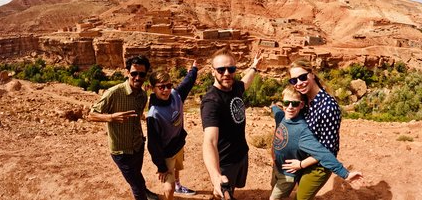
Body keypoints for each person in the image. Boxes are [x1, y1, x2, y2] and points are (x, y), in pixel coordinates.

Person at [270, 87, 363, 200]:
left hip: (288, 174)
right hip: (276, 168)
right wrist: (273, 106)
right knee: (273, 187)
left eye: (294, 103)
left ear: (301, 105)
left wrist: (345, 174)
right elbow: (277, 111)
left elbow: (323, 153)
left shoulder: (302, 130)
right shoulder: (281, 117)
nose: (290, 107)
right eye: (286, 102)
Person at [87, 55, 159, 200]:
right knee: (136, 186)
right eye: (134, 73)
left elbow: (138, 115)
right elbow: (91, 114)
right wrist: (111, 117)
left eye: (142, 74)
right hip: (121, 151)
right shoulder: (114, 93)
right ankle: (143, 193)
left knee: (137, 175)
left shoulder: (143, 95)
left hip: (138, 146)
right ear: (127, 72)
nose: (138, 77)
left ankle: (145, 190)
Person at [201, 47, 262, 199]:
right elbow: (209, 141)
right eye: (221, 70)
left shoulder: (234, 87)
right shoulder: (211, 101)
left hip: (241, 154)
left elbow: (245, 83)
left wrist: (254, 67)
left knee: (232, 189)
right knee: (223, 193)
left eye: (231, 69)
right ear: (212, 71)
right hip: (225, 162)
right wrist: (215, 176)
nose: (227, 73)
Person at [282, 57, 343, 199]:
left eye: (302, 77)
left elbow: (328, 149)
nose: (299, 83)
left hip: (318, 164)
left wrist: (301, 164)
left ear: (312, 74)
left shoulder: (328, 107)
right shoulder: (304, 100)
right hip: (302, 159)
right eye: (294, 80)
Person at [146, 61, 198, 200]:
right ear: (153, 89)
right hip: (167, 152)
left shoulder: (176, 95)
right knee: (168, 186)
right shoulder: (154, 115)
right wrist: (161, 166)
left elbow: (187, 83)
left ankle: (178, 186)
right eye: (161, 87)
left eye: (169, 86)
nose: (166, 90)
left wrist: (193, 69)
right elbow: (153, 144)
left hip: (178, 144)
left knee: (177, 169)